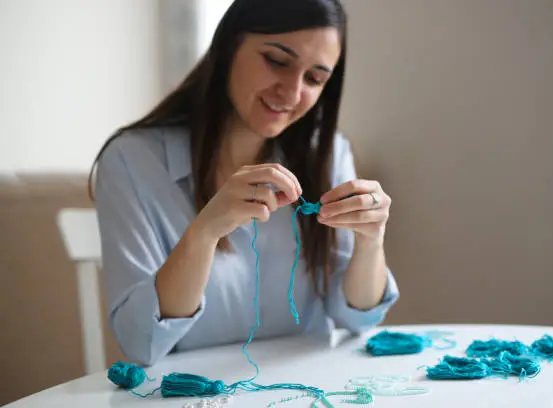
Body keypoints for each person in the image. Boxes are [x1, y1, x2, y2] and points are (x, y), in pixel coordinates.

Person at [90, 0, 399, 367]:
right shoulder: (131, 161)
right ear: (229, 44)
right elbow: (140, 342)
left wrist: (371, 241)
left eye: (314, 78)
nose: (292, 92)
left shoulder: (327, 153)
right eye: (278, 61)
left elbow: (358, 318)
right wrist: (204, 233)